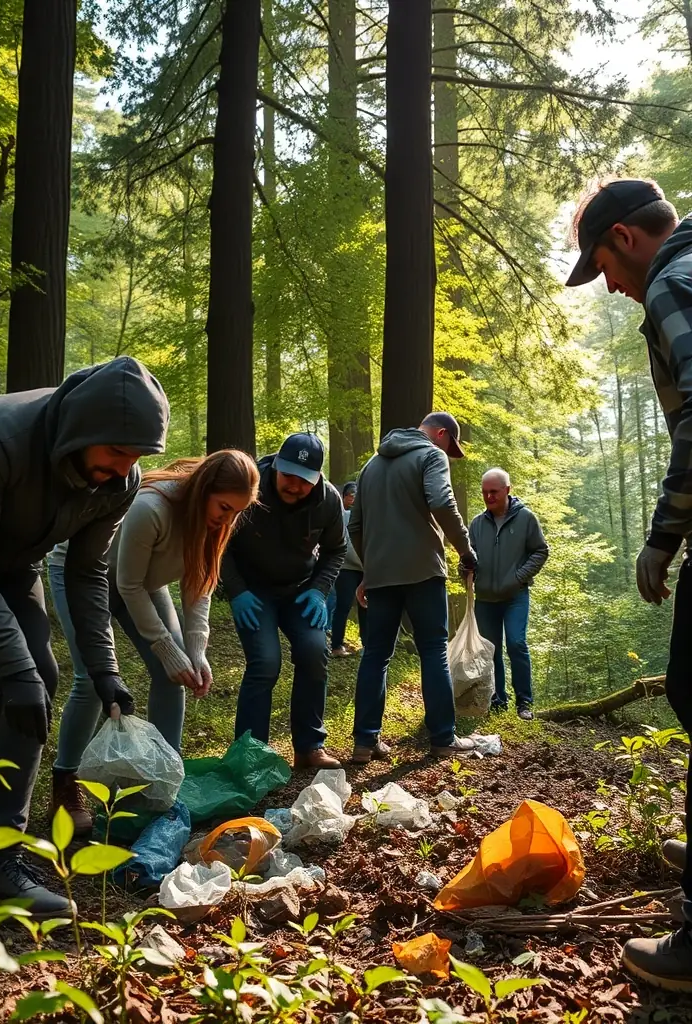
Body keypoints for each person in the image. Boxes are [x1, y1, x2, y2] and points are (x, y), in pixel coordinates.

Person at [0, 357, 169, 917]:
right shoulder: (0, 436)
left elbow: (86, 572)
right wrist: (15, 671)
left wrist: (105, 669)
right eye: (116, 452)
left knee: (37, 675)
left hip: (12, 557)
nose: (126, 467)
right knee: (16, 675)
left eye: (136, 456)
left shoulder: (119, 480)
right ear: (82, 431)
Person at [566, 176, 692, 989]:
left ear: (623, 238)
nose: (611, 286)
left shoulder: (675, 283)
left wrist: (662, 537)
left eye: (604, 268)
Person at [48, 450, 260, 833]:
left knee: (173, 675)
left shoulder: (215, 522)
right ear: (204, 489)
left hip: (143, 584)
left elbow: (199, 584)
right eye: (224, 507)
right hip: (81, 573)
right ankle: (65, 783)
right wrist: (166, 647)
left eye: (235, 513)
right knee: (93, 681)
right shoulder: (153, 507)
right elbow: (126, 584)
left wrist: (194, 652)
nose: (226, 519)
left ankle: (164, 780)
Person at [348, 412, 478, 765]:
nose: (449, 454)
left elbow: (355, 525)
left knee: (375, 654)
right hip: (423, 570)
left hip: (381, 575)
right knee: (433, 650)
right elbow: (441, 502)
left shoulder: (372, 465)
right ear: (440, 434)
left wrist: (370, 568)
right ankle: (442, 738)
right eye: (450, 446)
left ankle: (364, 741)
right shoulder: (430, 455)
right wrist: (465, 548)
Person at [221, 432, 346, 769]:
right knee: (265, 663)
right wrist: (236, 590)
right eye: (287, 475)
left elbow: (337, 550)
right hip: (253, 591)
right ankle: (250, 756)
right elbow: (218, 540)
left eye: (303, 480)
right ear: (276, 465)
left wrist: (319, 589)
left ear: (317, 477)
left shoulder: (329, 501)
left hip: (299, 590)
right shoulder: (249, 490)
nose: (293, 485)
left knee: (314, 652)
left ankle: (309, 748)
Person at [468, 468, 549, 720]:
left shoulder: (526, 518)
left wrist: (518, 577)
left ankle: (524, 703)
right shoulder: (477, 524)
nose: (489, 497)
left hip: (515, 596)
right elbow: (469, 557)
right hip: (485, 599)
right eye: (485, 492)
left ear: (507, 490)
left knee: (516, 643)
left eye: (494, 491)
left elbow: (540, 551)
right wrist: (467, 568)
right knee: (490, 650)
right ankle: (497, 700)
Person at [330, 481, 367, 657]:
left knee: (366, 606)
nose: (353, 498)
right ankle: (336, 645)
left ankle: (367, 645)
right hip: (346, 567)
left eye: (356, 495)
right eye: (350, 494)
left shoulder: (368, 515)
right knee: (343, 605)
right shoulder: (342, 515)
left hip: (366, 568)